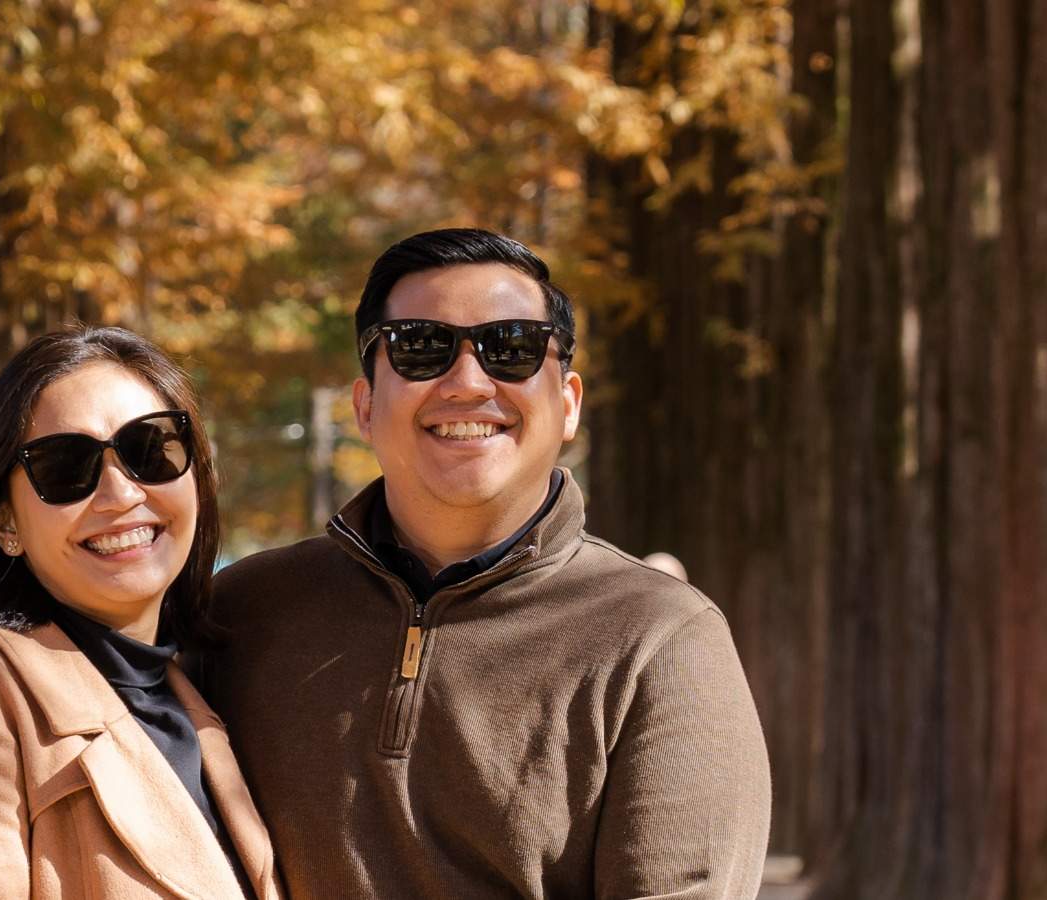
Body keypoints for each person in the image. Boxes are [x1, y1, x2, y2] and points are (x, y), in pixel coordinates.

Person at [202, 228, 772, 897]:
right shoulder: (240, 614)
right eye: (420, 347)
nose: (468, 383)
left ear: (568, 404)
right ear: (364, 404)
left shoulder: (660, 641)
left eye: (512, 349)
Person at [0, 326, 279, 899]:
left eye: (150, 450)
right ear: (6, 523)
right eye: (64, 468)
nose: (121, 492)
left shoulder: (202, 692)